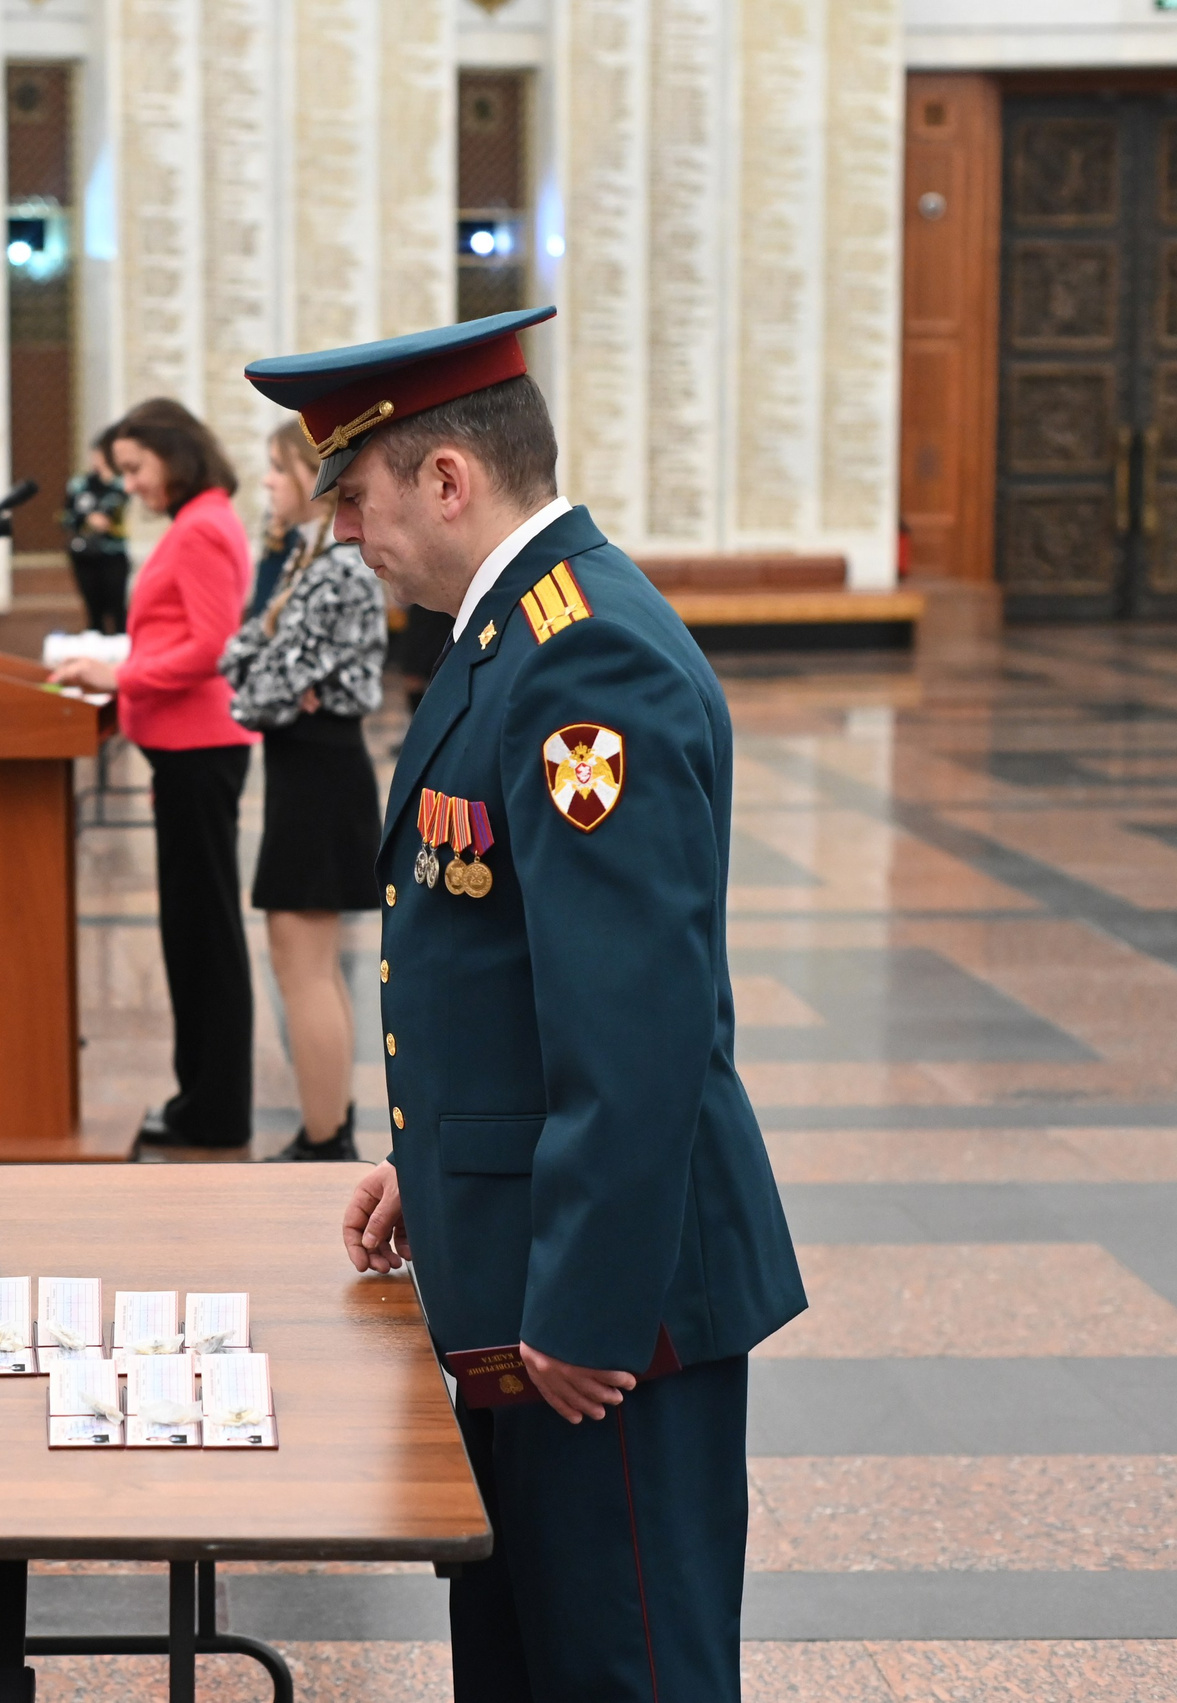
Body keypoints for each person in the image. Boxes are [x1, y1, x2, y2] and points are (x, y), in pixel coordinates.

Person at [245, 308, 807, 1702]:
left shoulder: (582, 660)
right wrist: (427, 1166)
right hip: (524, 1252)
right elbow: (502, 968)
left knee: (625, 1663)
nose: (349, 532)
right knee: (530, 1656)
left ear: (448, 480)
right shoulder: (509, 633)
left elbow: (634, 1022)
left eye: (359, 499)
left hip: (600, 1307)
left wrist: (589, 1307)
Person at [47, 399, 258, 1150]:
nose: (130, 484)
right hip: (186, 748)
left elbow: (212, 646)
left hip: (201, 747)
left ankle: (216, 1106)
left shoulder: (203, 524)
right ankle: (201, 1095)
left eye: (136, 467)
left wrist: (121, 671)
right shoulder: (200, 517)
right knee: (194, 930)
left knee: (204, 934)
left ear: (174, 452)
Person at [218, 420, 387, 1162]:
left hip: (320, 772)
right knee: (307, 964)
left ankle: (326, 1138)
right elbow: (243, 655)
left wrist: (275, 685)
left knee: (307, 965)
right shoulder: (304, 560)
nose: (267, 487)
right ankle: (328, 1124)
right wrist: (275, 683)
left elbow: (257, 693)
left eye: (276, 473)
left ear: (309, 476)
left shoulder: (335, 569)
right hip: (305, 764)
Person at [60, 438, 131, 635]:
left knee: (117, 605)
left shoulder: (122, 484)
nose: (98, 460)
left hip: (113, 552)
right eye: (96, 454)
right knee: (93, 608)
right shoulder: (80, 485)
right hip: (85, 552)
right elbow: (66, 516)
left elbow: (121, 510)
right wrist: (87, 519)